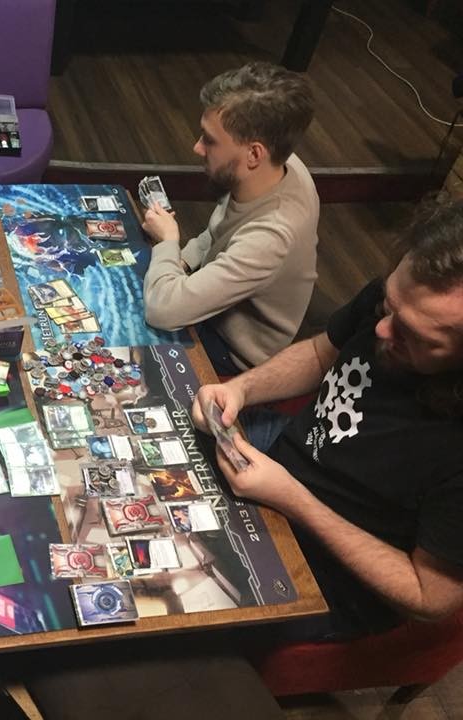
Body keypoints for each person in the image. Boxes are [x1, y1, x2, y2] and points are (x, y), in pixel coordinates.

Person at [193, 200, 463, 639]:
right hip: (281, 464)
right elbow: (323, 353)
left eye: (413, 335)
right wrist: (242, 388)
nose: (383, 330)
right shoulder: (399, 304)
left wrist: (293, 500)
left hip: (329, 575)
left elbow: (429, 597)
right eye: (388, 306)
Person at [142, 61, 320, 376]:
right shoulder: (277, 165)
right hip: (217, 302)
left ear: (254, 154)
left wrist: (168, 241)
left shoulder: (271, 238)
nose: (197, 147)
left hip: (230, 350)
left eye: (209, 140)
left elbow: (162, 310)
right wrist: (184, 260)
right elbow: (218, 231)